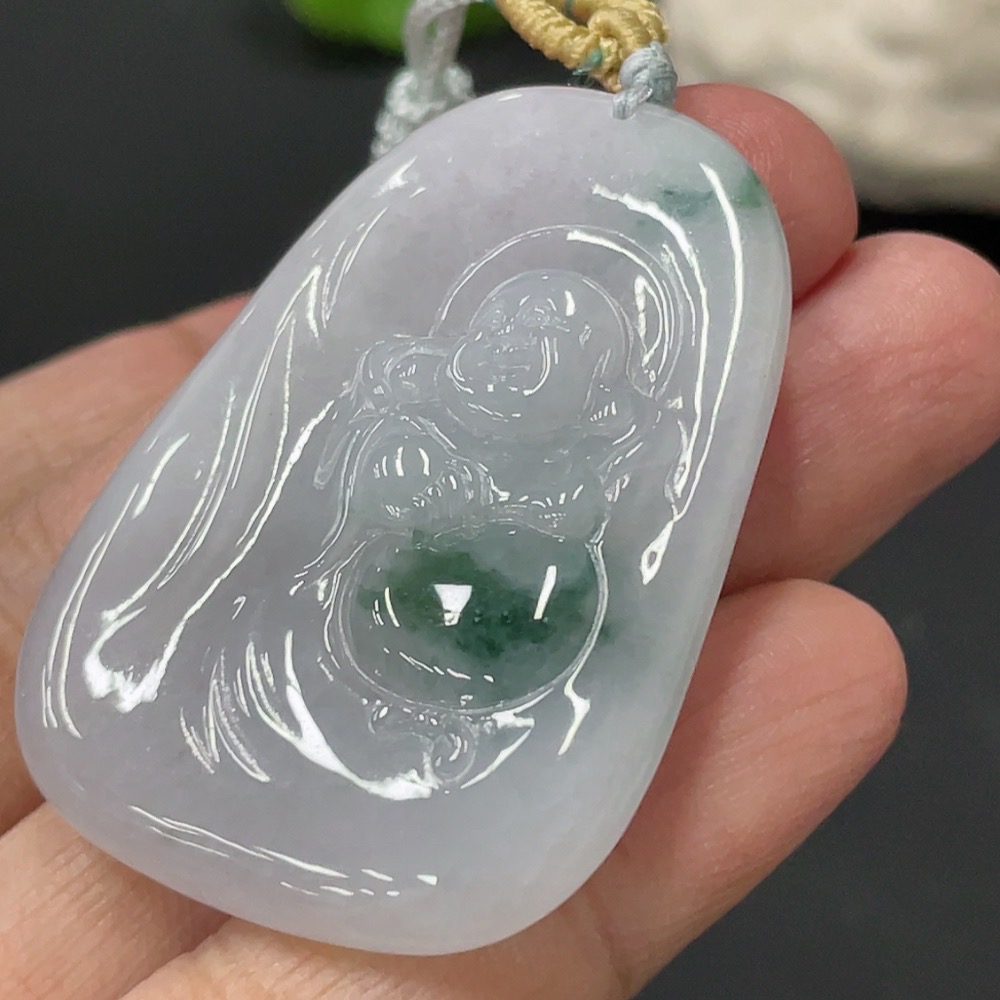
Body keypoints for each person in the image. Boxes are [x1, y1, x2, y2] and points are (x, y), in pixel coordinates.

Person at [0, 84, 997, 999]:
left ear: (593, 394)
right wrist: (406, 471)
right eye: (503, 336)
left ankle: (420, 736)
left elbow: (562, 543)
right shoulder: (416, 418)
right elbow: (363, 498)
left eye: (549, 352)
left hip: (486, 646)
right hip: (355, 624)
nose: (514, 359)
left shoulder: (569, 472)